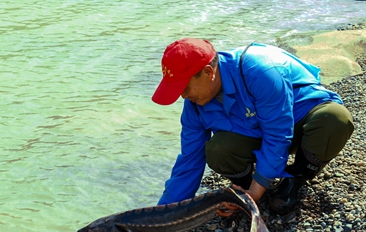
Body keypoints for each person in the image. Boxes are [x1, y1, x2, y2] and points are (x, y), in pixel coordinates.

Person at [152, 38, 354, 214]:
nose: (184, 96)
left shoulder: (259, 70)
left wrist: (257, 192)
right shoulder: (195, 106)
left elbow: (277, 134)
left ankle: (295, 179)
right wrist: (159, 216)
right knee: (218, 149)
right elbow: (189, 162)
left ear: (208, 72)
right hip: (256, 131)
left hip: (298, 122)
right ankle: (245, 185)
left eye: (184, 87)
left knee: (335, 118)